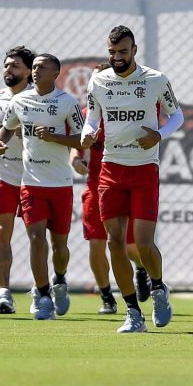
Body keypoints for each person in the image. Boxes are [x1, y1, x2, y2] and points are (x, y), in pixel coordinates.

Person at [80, 25, 184, 333]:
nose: (117, 57)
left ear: (134, 50)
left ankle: (158, 287)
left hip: (144, 169)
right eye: (112, 52)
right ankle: (133, 313)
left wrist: (159, 135)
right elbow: (92, 117)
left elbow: (176, 115)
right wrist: (88, 133)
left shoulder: (156, 80)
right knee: (115, 243)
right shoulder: (99, 80)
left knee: (143, 243)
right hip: (110, 170)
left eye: (123, 52)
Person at [0, 54, 84, 320]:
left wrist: (54, 136)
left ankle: (59, 279)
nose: (36, 71)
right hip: (31, 183)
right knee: (35, 238)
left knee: (59, 247)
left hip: (60, 183)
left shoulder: (68, 102)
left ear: (56, 73)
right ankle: (43, 295)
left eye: (42, 67)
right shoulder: (20, 100)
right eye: (34, 67)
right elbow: (6, 128)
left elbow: (83, 140)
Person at [70, 63, 150, 316]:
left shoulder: (128, 111)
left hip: (124, 183)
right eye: (93, 82)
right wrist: (76, 160)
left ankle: (142, 269)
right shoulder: (86, 114)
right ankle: (106, 296)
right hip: (96, 186)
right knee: (96, 243)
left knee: (129, 247)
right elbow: (77, 149)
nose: (95, 86)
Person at [0, 45, 34, 314]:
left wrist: (24, 133)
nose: (8, 70)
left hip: (34, 175)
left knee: (37, 235)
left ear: (28, 71)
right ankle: (4, 293)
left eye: (15, 65)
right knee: (2, 231)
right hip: (2, 173)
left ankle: (41, 289)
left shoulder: (38, 98)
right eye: (6, 65)